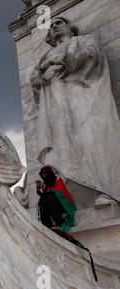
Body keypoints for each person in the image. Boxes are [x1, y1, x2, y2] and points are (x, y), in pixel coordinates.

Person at [31, 17, 120, 208]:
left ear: (71, 28)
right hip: (59, 113)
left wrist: (58, 64)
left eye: (59, 22)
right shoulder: (44, 58)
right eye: (52, 25)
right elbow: (35, 83)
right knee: (64, 151)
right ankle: (76, 199)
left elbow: (91, 55)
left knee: (93, 143)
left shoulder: (83, 41)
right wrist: (43, 75)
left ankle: (107, 191)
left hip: (86, 100)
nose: (54, 25)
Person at [36, 166, 77, 233]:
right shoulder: (47, 187)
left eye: (46, 175)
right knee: (42, 199)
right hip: (55, 207)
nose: (44, 177)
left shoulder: (60, 180)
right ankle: (48, 226)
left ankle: (60, 222)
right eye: (42, 176)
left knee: (50, 197)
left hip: (66, 208)